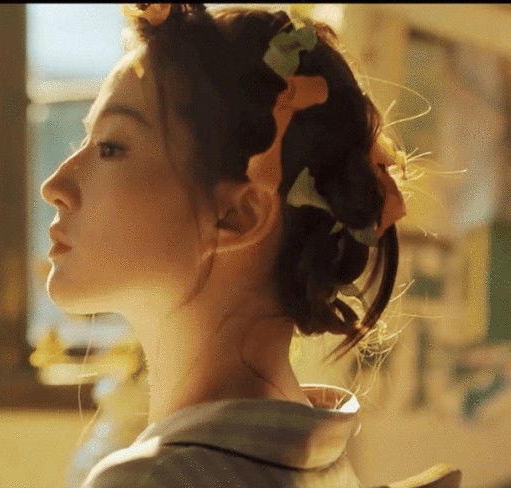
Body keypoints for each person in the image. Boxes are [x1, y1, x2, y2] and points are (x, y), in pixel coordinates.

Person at [40, 4, 425, 487]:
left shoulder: (155, 479)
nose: (55, 186)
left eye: (111, 147)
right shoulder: (318, 460)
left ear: (238, 215)